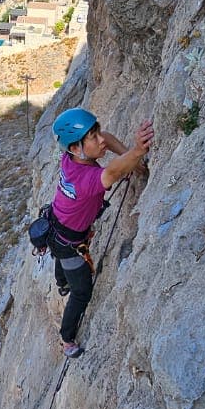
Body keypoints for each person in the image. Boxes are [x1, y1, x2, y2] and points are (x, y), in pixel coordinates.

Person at [48, 107, 154, 358]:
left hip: (55, 224)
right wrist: (137, 151)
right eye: (93, 138)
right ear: (76, 148)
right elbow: (113, 172)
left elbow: (107, 138)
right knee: (82, 290)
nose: (101, 139)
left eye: (95, 132)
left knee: (61, 259)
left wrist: (131, 158)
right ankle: (66, 339)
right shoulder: (86, 181)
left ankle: (61, 282)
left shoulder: (71, 158)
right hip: (68, 240)